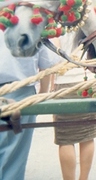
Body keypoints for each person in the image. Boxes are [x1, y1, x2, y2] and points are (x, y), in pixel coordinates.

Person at [0, 31, 60, 180]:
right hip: (21, 93)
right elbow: (46, 66)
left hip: (20, 92)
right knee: (14, 157)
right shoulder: (31, 23)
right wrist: (41, 94)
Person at [52, 67, 96, 180]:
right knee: (87, 136)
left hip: (65, 81)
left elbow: (50, 60)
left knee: (65, 138)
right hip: (90, 79)